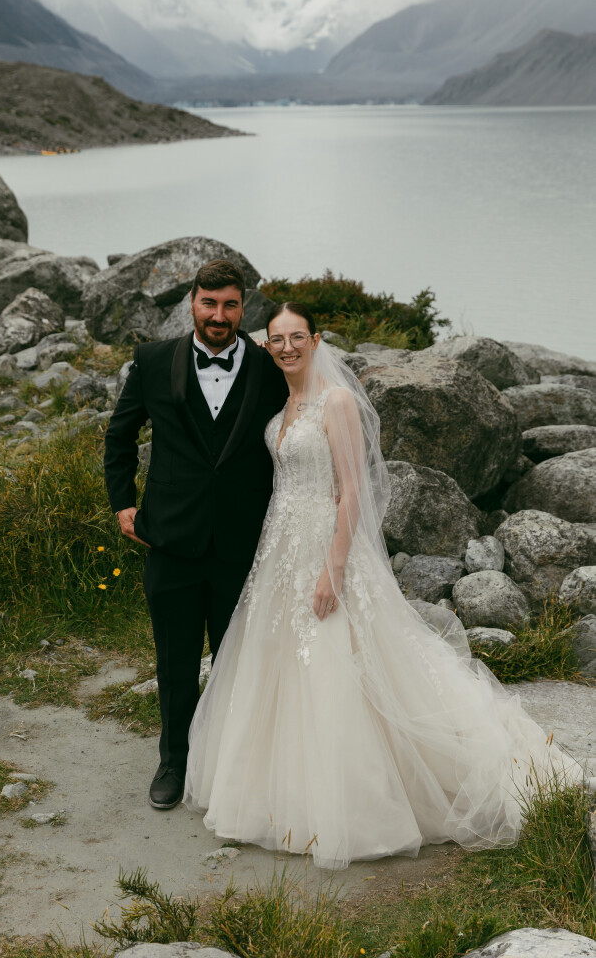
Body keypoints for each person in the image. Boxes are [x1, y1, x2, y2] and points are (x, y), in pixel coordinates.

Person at [183, 301, 581, 869]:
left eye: (297, 337)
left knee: (341, 661)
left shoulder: (337, 401)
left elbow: (352, 491)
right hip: (280, 550)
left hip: (326, 550)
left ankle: (360, 803)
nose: (288, 347)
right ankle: (278, 795)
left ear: (316, 340)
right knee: (278, 663)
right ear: (267, 346)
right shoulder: (284, 403)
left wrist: (334, 569)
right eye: (277, 339)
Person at [104, 259, 287, 810]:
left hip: (243, 544)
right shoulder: (153, 360)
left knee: (239, 662)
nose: (219, 316)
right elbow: (120, 436)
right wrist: (123, 504)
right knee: (175, 661)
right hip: (171, 541)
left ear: (244, 307)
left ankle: (231, 765)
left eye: (230, 305)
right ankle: (174, 761)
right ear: (191, 302)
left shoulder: (269, 367)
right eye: (209, 303)